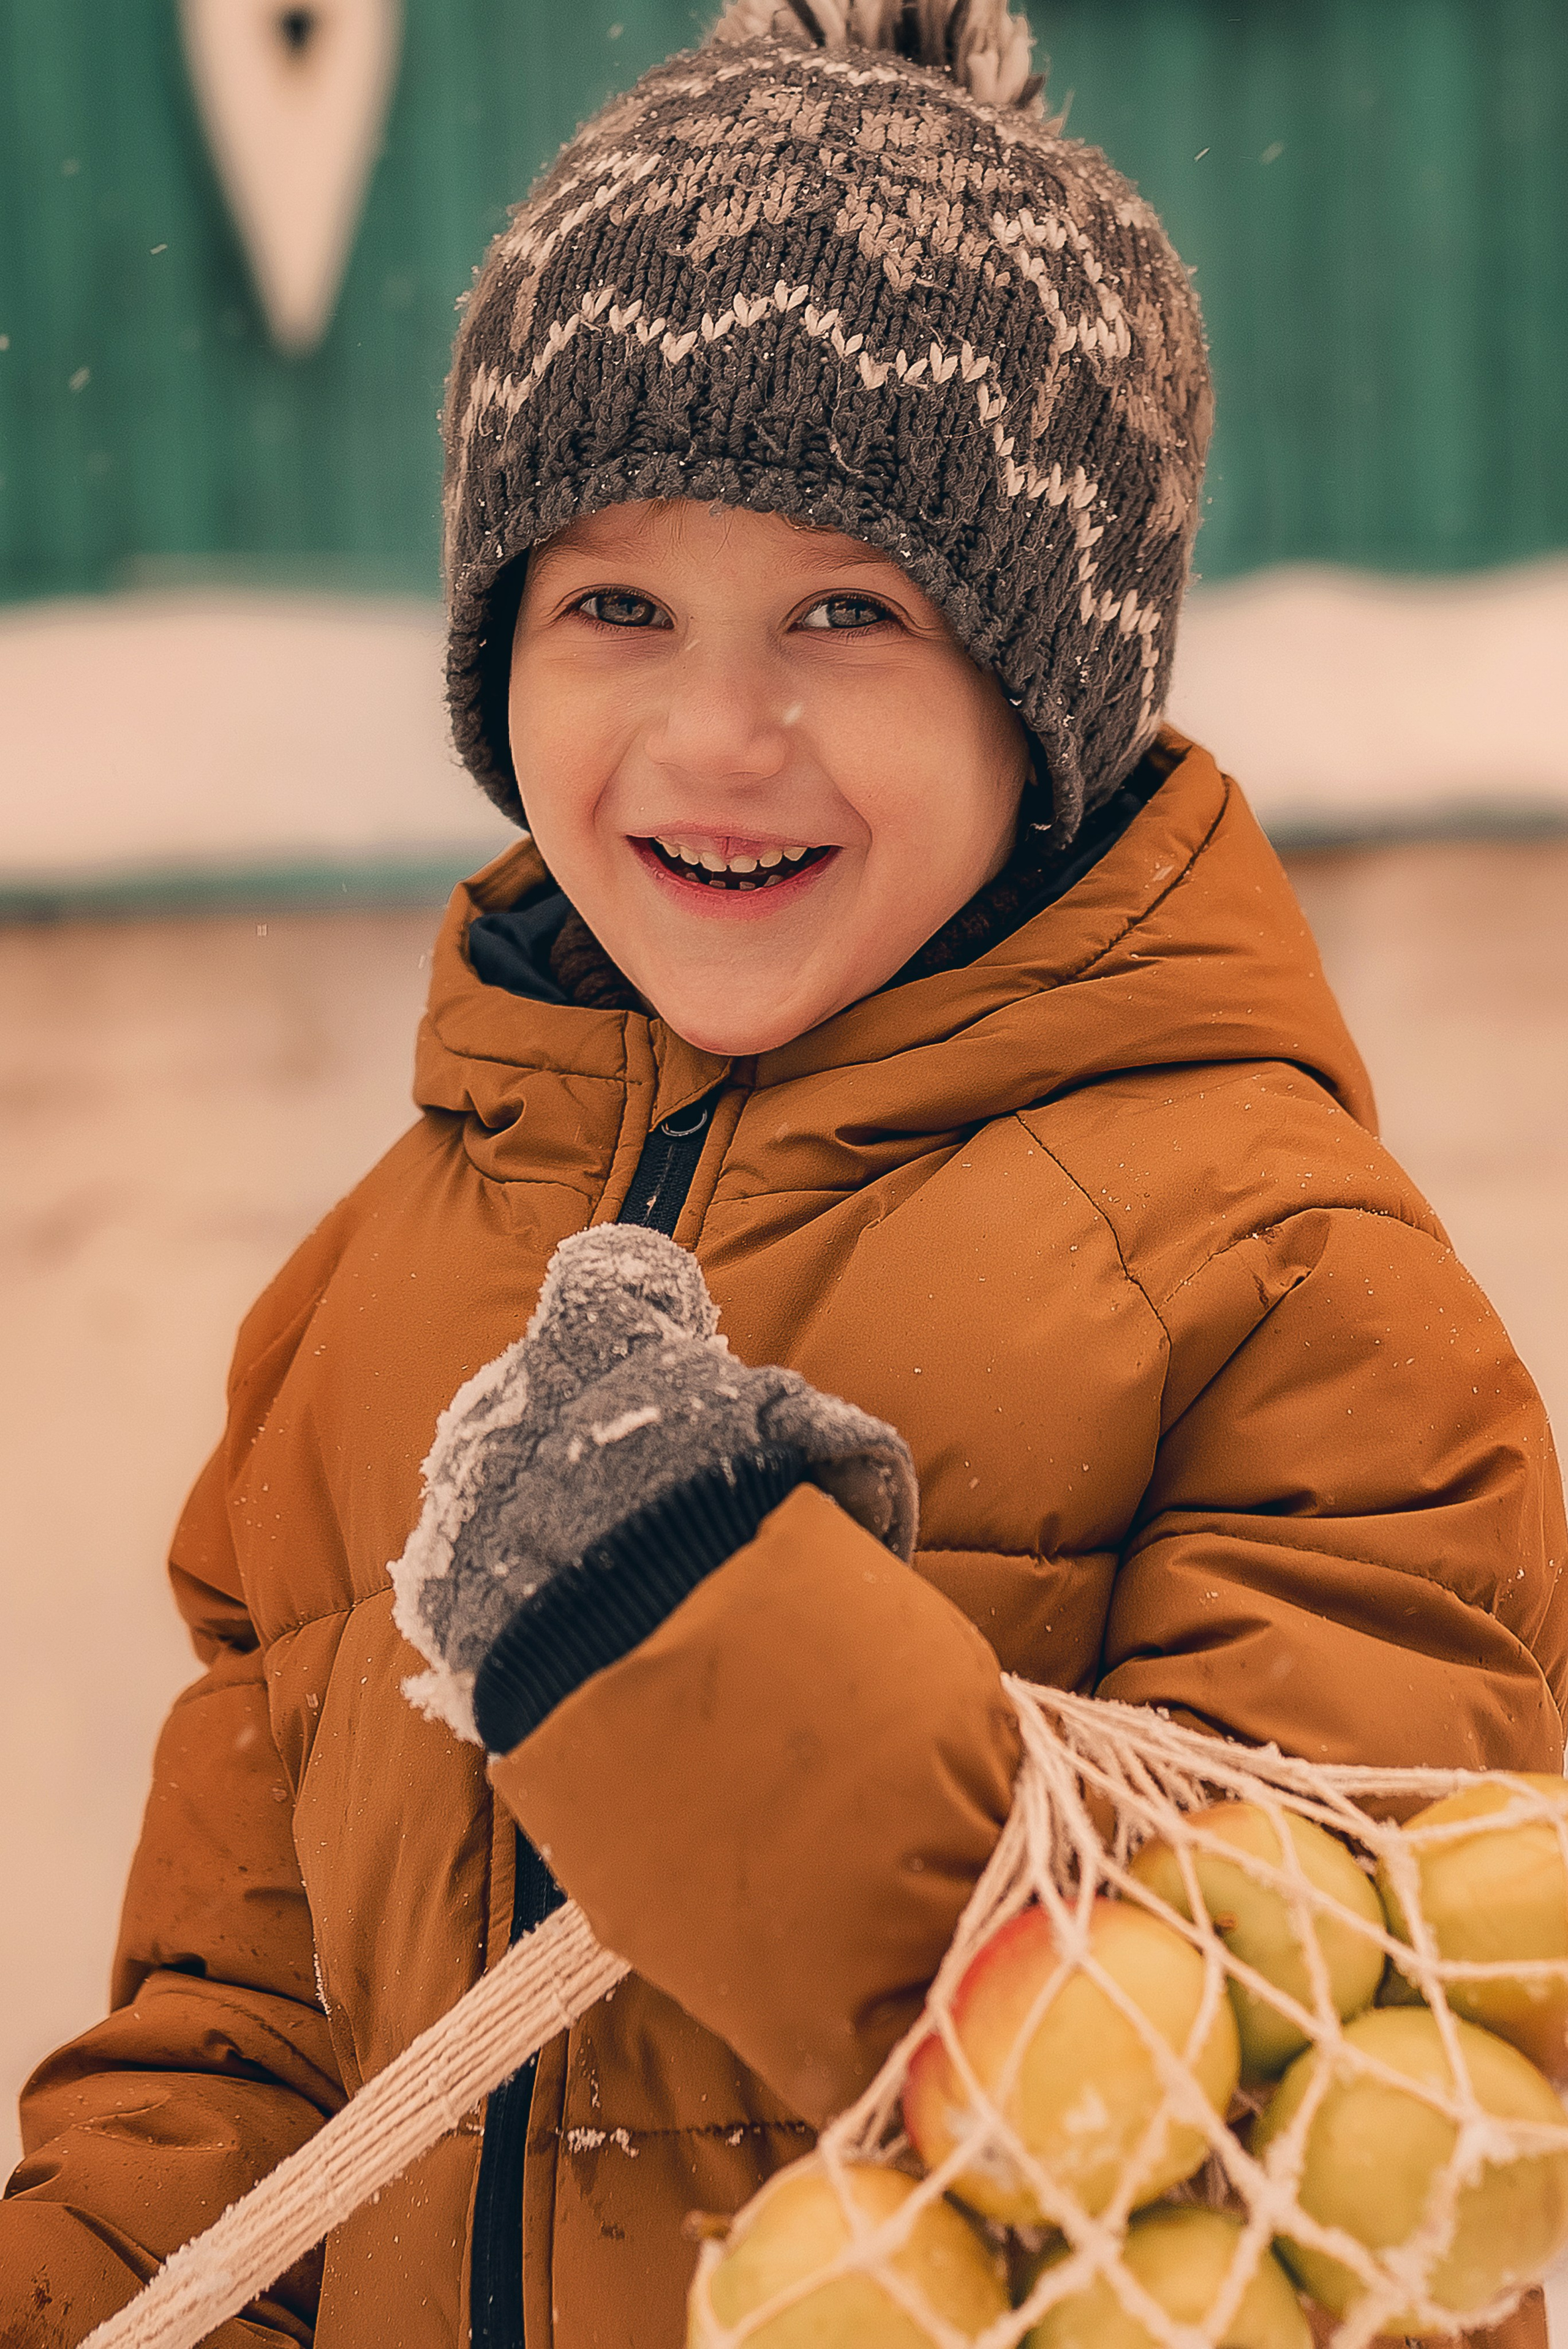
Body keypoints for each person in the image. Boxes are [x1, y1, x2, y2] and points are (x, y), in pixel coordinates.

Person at [7, 5, 1564, 2345]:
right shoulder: (358, 1303)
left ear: (1047, 699)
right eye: (616, 605)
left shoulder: (1285, 1288)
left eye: (852, 612)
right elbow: (240, 2066)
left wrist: (686, 1625)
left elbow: (1276, 2126)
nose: (718, 737)